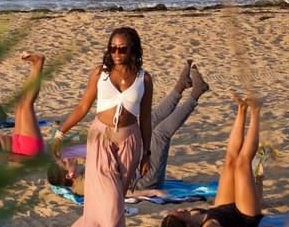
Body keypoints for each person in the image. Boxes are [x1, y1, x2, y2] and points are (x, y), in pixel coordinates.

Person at [53, 27, 154, 227]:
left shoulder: (144, 79)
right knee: (110, 198)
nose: (117, 53)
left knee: (117, 199)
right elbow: (83, 107)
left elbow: (147, 119)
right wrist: (60, 133)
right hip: (100, 140)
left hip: (130, 142)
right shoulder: (100, 74)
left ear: (133, 50)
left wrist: (147, 153)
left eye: (122, 48)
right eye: (113, 48)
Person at [48, 60, 209, 195]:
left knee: (149, 123)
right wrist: (151, 192)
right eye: (64, 162)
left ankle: (181, 86)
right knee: (160, 134)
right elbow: (121, 193)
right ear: (69, 175)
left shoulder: (81, 173)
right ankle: (196, 94)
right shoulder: (85, 186)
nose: (67, 158)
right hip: (144, 181)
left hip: (135, 165)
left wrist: (59, 138)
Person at [159, 96, 277, 227]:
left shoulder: (192, 215)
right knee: (242, 163)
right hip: (245, 215)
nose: (179, 210)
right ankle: (256, 111)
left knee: (230, 161)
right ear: (187, 226)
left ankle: (242, 110)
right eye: (178, 215)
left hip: (223, 208)